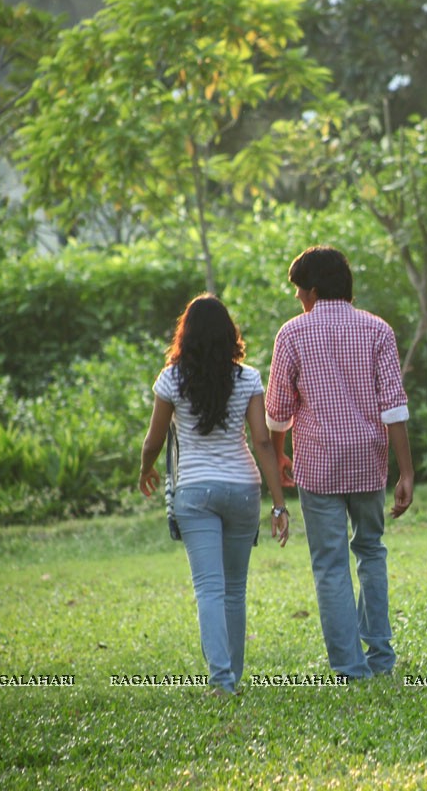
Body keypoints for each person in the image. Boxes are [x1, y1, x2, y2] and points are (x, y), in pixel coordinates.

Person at [265, 245, 414, 679]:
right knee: (371, 551)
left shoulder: (292, 333)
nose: (297, 297)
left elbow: (278, 411)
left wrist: (278, 453)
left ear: (313, 290)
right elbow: (394, 407)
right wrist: (406, 472)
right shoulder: (378, 330)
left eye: (299, 290)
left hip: (318, 464)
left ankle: (350, 667)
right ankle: (381, 657)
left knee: (330, 565)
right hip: (369, 460)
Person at [139, 293, 290, 696]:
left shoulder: (171, 380)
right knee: (234, 589)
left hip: (195, 491)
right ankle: (232, 677)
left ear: (185, 335)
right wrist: (279, 504)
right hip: (243, 488)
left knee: (209, 587)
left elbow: (154, 439)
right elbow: (262, 442)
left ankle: (222, 682)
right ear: (229, 334)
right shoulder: (247, 378)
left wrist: (145, 468)